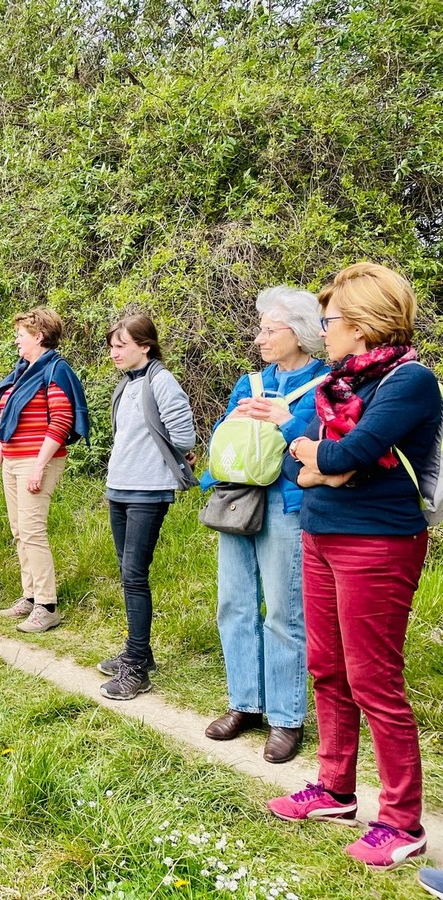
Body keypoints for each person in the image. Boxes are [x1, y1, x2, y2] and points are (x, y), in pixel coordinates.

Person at [267, 263, 442, 869]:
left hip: (377, 544)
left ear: (362, 324)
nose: (323, 331)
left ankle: (401, 821)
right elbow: (299, 460)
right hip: (320, 533)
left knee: (374, 680)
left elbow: (352, 452)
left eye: (330, 320)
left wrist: (328, 460)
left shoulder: (410, 381)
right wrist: (323, 464)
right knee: (327, 668)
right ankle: (335, 790)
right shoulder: (338, 383)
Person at [201, 288, 329, 764]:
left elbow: (323, 444)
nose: (260, 338)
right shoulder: (249, 383)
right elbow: (220, 441)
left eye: (269, 330)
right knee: (234, 604)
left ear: (298, 333)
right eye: (261, 329)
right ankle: (244, 704)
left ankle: (286, 718)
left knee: (283, 612)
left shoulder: (325, 384)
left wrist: (286, 419)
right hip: (239, 500)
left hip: (287, 505)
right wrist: (231, 422)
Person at [99, 314, 196, 701]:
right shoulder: (128, 383)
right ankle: (139, 652)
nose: (114, 352)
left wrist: (170, 457)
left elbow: (184, 435)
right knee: (127, 573)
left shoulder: (161, 381)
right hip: (120, 487)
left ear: (145, 345)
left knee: (135, 575)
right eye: (112, 346)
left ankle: (137, 667)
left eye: (121, 345)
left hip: (148, 490)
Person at [0, 308, 89, 633]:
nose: (16, 340)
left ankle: (47, 606)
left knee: (32, 531)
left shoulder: (54, 370)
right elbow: (8, 423)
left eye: (21, 335)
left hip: (37, 461)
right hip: (14, 459)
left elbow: (62, 421)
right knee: (19, 530)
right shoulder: (23, 372)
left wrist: (39, 466)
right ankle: (30, 595)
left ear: (38, 336)